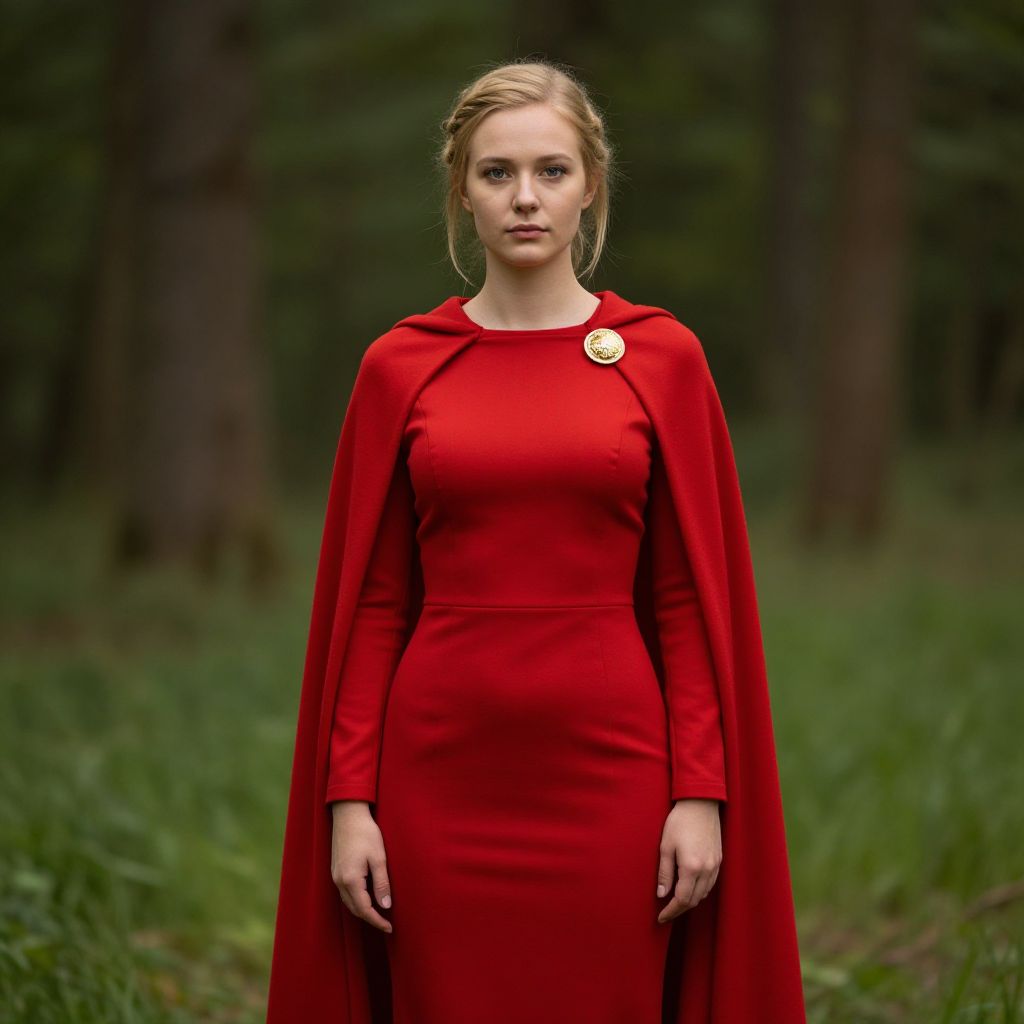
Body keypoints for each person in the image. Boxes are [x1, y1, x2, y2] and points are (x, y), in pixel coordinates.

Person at [266, 58, 807, 1024]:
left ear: (590, 185)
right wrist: (349, 802)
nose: (525, 197)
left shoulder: (661, 357)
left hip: (615, 773)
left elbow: (686, 599)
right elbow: (375, 604)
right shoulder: (401, 366)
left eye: (552, 171)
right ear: (461, 191)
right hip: (437, 775)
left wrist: (701, 792)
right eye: (497, 172)